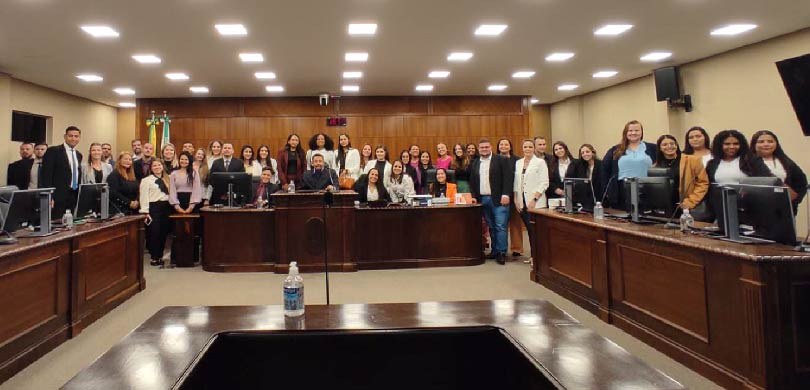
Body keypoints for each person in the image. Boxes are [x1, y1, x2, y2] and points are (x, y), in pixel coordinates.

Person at [469, 138, 514, 265]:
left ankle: (501, 252)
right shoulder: (475, 162)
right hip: (483, 199)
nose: (484, 149)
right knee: (492, 227)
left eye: (486, 147)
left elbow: (508, 178)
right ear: (479, 149)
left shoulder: (501, 160)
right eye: (482, 147)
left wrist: (506, 194)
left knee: (500, 226)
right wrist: (473, 196)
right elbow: (472, 182)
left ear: (491, 147)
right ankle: (494, 250)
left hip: (499, 199)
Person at [600, 120, 658, 208]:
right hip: (622, 191)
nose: (633, 133)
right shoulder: (615, 150)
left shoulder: (653, 148)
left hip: (647, 189)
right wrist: (607, 191)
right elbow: (604, 170)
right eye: (630, 131)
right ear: (626, 133)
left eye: (637, 130)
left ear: (642, 132)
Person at [751, 130, 807, 212]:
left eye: (770, 141)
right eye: (761, 142)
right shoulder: (747, 162)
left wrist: (794, 201)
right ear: (754, 145)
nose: (766, 144)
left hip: (783, 209)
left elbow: (801, 182)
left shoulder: (785, 161)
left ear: (776, 144)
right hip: (756, 210)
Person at [514, 139, 549, 263]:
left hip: (535, 202)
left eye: (530, 146)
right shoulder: (518, 163)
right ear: (522, 148)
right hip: (521, 202)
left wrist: (534, 199)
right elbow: (516, 183)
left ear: (534, 148)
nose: (527, 149)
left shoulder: (540, 162)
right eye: (525, 147)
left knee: (536, 231)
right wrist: (515, 199)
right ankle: (534, 256)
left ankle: (540, 257)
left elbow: (544, 182)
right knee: (529, 230)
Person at [654, 135, 709, 212]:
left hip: (688, 207)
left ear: (676, 145)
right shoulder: (655, 166)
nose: (669, 146)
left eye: (672, 143)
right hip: (665, 208)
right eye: (664, 145)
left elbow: (703, 183)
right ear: (660, 148)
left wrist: (691, 201)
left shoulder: (693, 160)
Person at [40, 126, 83, 218]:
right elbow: (46, 175)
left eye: (76, 136)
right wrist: (49, 196)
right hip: (57, 197)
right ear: (65, 136)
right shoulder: (53, 151)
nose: (73, 138)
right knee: (57, 225)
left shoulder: (79, 155)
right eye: (70, 136)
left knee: (71, 224)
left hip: (73, 195)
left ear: (79, 138)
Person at [705, 130, 771, 185]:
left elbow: (768, 180)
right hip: (721, 200)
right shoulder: (712, 164)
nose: (732, 147)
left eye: (736, 144)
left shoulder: (752, 160)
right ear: (719, 146)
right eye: (727, 144)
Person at [139, 160, 171, 266]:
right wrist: (145, 212)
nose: (157, 167)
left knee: (163, 233)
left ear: (163, 167)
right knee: (154, 233)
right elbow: (144, 197)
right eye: (154, 165)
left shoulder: (168, 178)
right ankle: (154, 257)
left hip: (166, 207)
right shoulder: (146, 180)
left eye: (159, 165)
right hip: (154, 208)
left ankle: (160, 256)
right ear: (151, 168)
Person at [498, 138, 523, 257]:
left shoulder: (517, 160)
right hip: (500, 195)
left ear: (510, 146)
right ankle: (501, 249)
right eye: (501, 144)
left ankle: (516, 248)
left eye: (506, 144)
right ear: (498, 147)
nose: (503, 146)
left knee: (515, 222)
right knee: (500, 223)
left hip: (515, 194)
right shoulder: (495, 160)